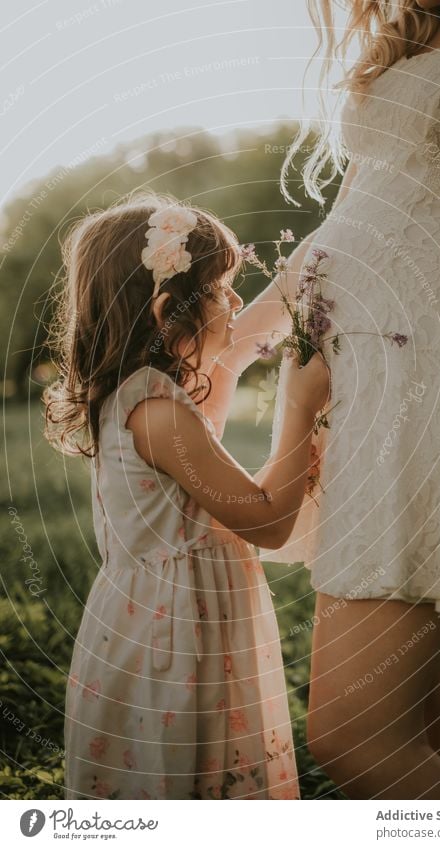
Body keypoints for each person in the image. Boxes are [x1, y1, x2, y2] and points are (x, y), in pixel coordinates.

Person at [219, 0, 440, 798]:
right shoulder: (412, 29)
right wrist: (226, 348)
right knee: (424, 730)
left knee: (352, 734)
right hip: (367, 389)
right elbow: (348, 228)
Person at [43, 191, 330, 800]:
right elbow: (268, 522)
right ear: (169, 310)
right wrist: (301, 405)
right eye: (223, 288)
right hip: (175, 647)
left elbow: (241, 346)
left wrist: (321, 250)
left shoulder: (145, 394)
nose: (233, 302)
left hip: (162, 627)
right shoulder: (158, 412)